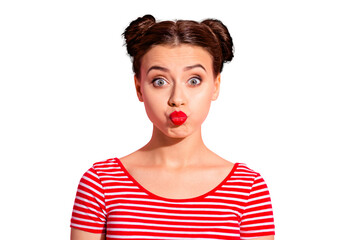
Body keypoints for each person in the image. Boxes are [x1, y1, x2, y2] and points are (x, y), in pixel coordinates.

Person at [70, 14, 275, 240]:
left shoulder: (247, 189)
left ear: (215, 86)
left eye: (194, 80)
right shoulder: (101, 183)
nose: (177, 98)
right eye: (160, 81)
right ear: (139, 88)